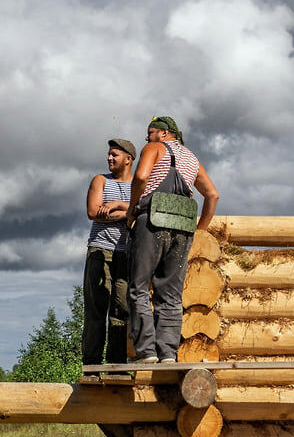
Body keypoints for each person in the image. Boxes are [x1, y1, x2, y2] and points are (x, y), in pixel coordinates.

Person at [125, 116, 219, 364]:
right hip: (183, 227)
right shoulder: (192, 158)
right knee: (171, 294)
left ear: (165, 133)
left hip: (153, 220)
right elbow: (212, 195)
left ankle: (146, 352)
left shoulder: (154, 148)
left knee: (139, 287)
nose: (147, 137)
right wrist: (200, 230)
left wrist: (132, 209)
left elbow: (141, 177)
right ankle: (167, 353)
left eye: (150, 132)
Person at [82, 138, 137, 369]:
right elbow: (93, 212)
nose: (109, 158)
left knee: (121, 310)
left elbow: (143, 210)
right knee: (96, 309)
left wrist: (117, 206)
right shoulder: (101, 180)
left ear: (128, 159)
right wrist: (128, 212)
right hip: (99, 249)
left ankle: (117, 367)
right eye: (109, 154)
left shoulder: (139, 184)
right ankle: (92, 366)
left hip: (127, 253)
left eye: (115, 154)